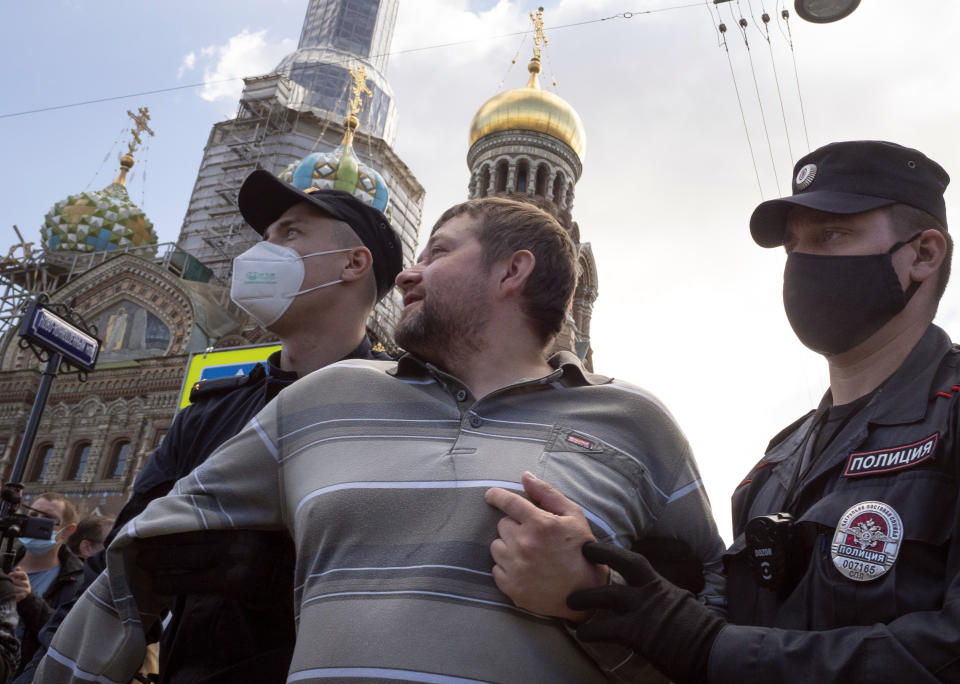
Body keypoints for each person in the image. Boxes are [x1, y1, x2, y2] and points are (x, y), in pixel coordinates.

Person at [36, 196, 726, 684]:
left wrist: (591, 591)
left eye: (440, 251)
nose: (405, 274)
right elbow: (133, 560)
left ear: (513, 272)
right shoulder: (326, 401)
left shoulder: (633, 421)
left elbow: (719, 622)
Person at [491, 140, 959, 684]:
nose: (803, 264)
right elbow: (711, 633)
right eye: (793, 246)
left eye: (833, 236)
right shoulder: (777, 464)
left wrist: (705, 643)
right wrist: (599, 587)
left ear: (924, 254)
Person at [23, 170, 404, 684]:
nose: (261, 253)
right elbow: (117, 568)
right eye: (265, 238)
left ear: (354, 263)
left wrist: (275, 579)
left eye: (290, 233)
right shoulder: (213, 411)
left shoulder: (398, 412)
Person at [9, 493, 80, 679]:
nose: (37, 522)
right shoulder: (4, 563)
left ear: (67, 530)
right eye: (34, 515)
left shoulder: (74, 582)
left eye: (48, 518)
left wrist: (28, 600)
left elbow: (65, 638)